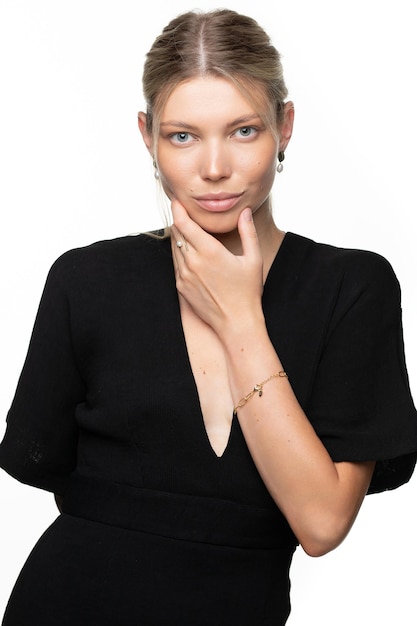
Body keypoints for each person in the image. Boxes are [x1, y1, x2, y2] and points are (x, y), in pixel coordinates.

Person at [1, 8, 417, 625]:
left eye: (244, 131)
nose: (215, 167)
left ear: (286, 125)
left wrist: (240, 318)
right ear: (148, 136)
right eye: (183, 135)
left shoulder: (351, 289)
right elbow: (39, 461)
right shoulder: (85, 281)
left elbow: (322, 522)